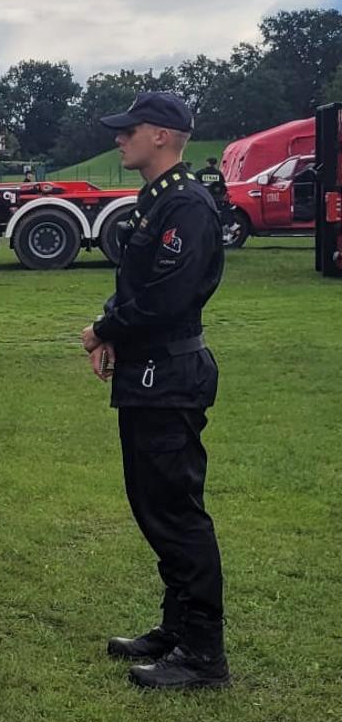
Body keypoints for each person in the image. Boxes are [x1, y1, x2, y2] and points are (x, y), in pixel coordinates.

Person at [85, 91, 229, 690]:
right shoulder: (158, 202)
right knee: (153, 507)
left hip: (169, 376)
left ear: (163, 136)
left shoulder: (188, 206)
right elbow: (135, 283)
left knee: (176, 513)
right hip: (148, 374)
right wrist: (114, 325)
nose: (119, 140)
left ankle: (203, 655)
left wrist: (104, 329)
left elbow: (170, 296)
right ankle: (176, 629)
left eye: (129, 131)